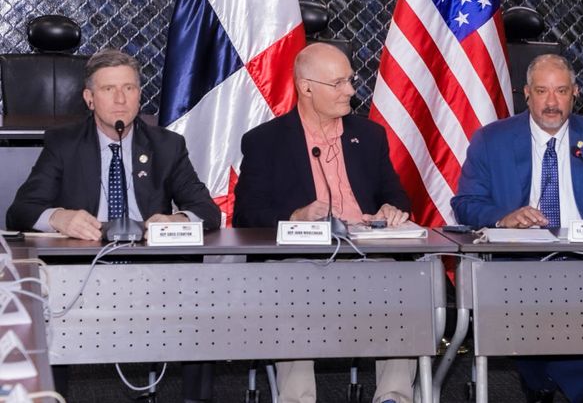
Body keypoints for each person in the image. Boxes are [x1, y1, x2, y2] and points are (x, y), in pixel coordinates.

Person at [6, 48, 221, 402]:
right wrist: (59, 217)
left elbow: (207, 212)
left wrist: (175, 220)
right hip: (80, 273)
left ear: (139, 94)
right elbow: (20, 211)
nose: (121, 99)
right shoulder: (64, 144)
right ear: (89, 98)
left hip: (154, 271)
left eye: (129, 88)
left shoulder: (167, 145)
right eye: (108, 89)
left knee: (202, 297)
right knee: (47, 308)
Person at [451, 53, 583, 403]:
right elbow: (465, 203)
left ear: (575, 93)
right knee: (523, 310)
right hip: (520, 264)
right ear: (527, 94)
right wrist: (504, 217)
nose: (552, 102)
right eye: (542, 91)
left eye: (561, 91)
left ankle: (543, 381)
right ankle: (551, 380)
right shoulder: (491, 139)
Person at [233, 42, 414, 403]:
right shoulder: (265, 141)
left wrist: (390, 209)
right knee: (289, 287)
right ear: (306, 87)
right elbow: (246, 215)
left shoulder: (370, 136)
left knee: (405, 284)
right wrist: (295, 217)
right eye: (338, 83)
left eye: (350, 80)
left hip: (366, 257)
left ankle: (394, 398)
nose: (351, 91)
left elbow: (397, 195)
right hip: (300, 261)